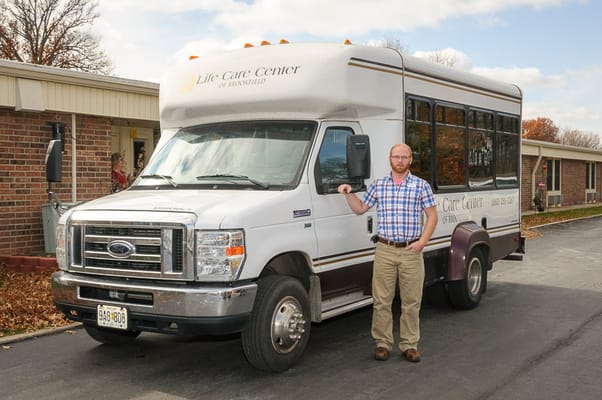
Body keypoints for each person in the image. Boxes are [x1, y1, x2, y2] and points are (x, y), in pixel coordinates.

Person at [338, 143, 438, 363]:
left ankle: (409, 345)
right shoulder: (379, 185)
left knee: (411, 301)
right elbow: (360, 209)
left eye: (404, 157)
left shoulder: (421, 186)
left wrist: (423, 241)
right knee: (381, 300)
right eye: (396, 156)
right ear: (390, 159)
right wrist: (349, 193)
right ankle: (382, 344)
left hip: (411, 250)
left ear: (410, 160)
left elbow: (432, 215)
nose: (400, 160)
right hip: (384, 249)